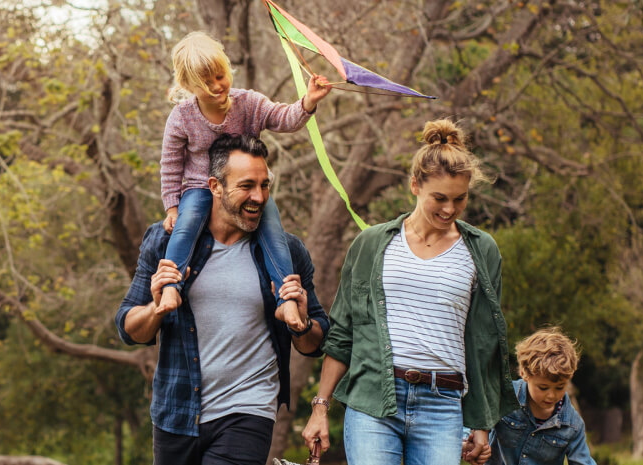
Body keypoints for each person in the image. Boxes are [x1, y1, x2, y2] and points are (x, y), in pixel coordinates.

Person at [301, 119, 519, 465]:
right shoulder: (371, 244)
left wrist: (480, 421)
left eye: (460, 199)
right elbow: (343, 333)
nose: (449, 209)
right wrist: (321, 407)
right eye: (440, 198)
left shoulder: (482, 250)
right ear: (415, 185)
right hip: (374, 397)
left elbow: (483, 343)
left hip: (443, 403)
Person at [117, 133, 329, 465]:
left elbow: (315, 343)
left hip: (249, 411)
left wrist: (302, 325)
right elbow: (129, 329)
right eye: (246, 186)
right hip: (176, 412)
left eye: (264, 185)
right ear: (215, 186)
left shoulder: (286, 253)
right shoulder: (165, 244)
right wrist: (156, 310)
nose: (258, 196)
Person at [155, 31, 333, 331]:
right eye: (205, 83)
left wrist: (308, 101)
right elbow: (171, 164)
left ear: (227, 68)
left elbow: (282, 118)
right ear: (188, 86)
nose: (216, 86)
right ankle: (171, 285)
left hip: (247, 188)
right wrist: (172, 206)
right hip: (200, 186)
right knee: (186, 226)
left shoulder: (247, 103)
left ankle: (286, 300)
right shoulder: (182, 117)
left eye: (220, 75)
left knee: (274, 232)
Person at [489, 328, 596, 465]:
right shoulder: (504, 396)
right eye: (543, 388)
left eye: (560, 387)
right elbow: (477, 418)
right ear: (524, 373)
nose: (551, 395)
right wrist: (469, 440)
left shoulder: (572, 425)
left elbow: (583, 462)